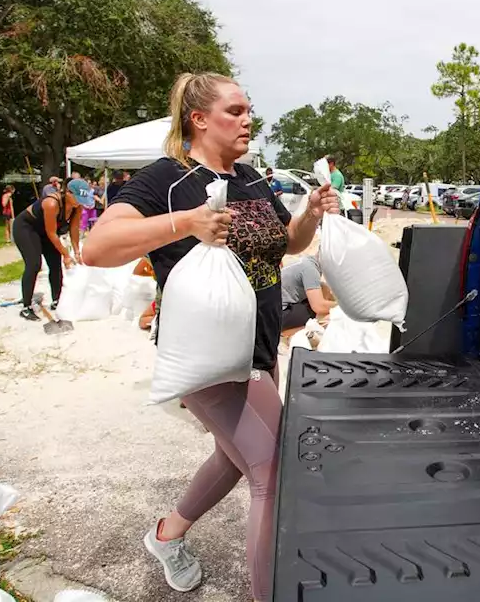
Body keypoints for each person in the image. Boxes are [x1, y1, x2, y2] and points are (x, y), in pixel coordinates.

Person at [83, 71, 338, 599]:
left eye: (250, 111)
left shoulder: (250, 177)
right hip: (210, 355)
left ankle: (166, 534)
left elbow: (286, 246)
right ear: (199, 119)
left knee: (233, 455)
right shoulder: (165, 180)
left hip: (263, 346)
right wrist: (186, 223)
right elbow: (97, 247)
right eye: (236, 111)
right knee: (273, 471)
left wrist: (309, 215)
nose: (249, 120)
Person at [12, 178, 91, 320]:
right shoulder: (51, 203)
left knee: (55, 264)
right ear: (68, 193)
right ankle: (26, 307)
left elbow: (74, 229)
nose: (79, 202)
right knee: (34, 264)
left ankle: (57, 300)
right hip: (27, 228)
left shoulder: (77, 207)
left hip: (47, 232)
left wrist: (77, 251)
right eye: (77, 198)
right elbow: (51, 232)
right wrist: (66, 254)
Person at [280, 254, 333, 331]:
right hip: (280, 316)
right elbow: (318, 307)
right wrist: (341, 306)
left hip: (271, 310)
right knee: (322, 311)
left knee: (322, 288)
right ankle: (290, 332)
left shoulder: (305, 260)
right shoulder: (310, 269)